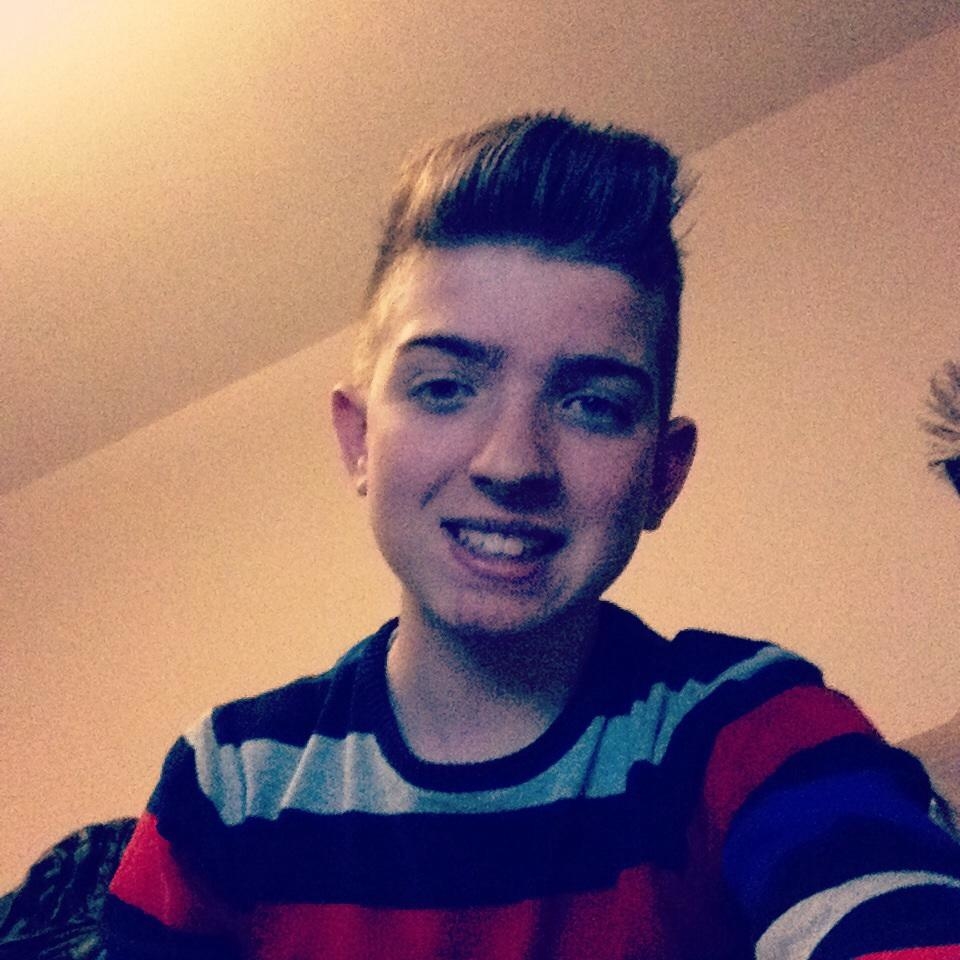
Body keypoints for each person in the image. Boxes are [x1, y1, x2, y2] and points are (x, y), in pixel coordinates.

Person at [103, 113, 960, 959]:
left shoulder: (751, 726)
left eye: (593, 404)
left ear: (663, 474)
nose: (513, 463)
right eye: (444, 387)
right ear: (359, 439)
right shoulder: (227, 785)